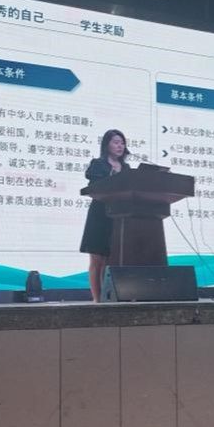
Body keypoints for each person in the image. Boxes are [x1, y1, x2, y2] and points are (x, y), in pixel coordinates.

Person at [79, 129, 130, 301]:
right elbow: (94, 186)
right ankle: (97, 299)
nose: (120, 146)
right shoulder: (98, 164)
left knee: (110, 259)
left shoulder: (127, 168)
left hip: (119, 216)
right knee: (97, 259)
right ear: (107, 145)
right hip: (99, 215)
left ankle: (108, 298)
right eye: (116, 142)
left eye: (122, 143)